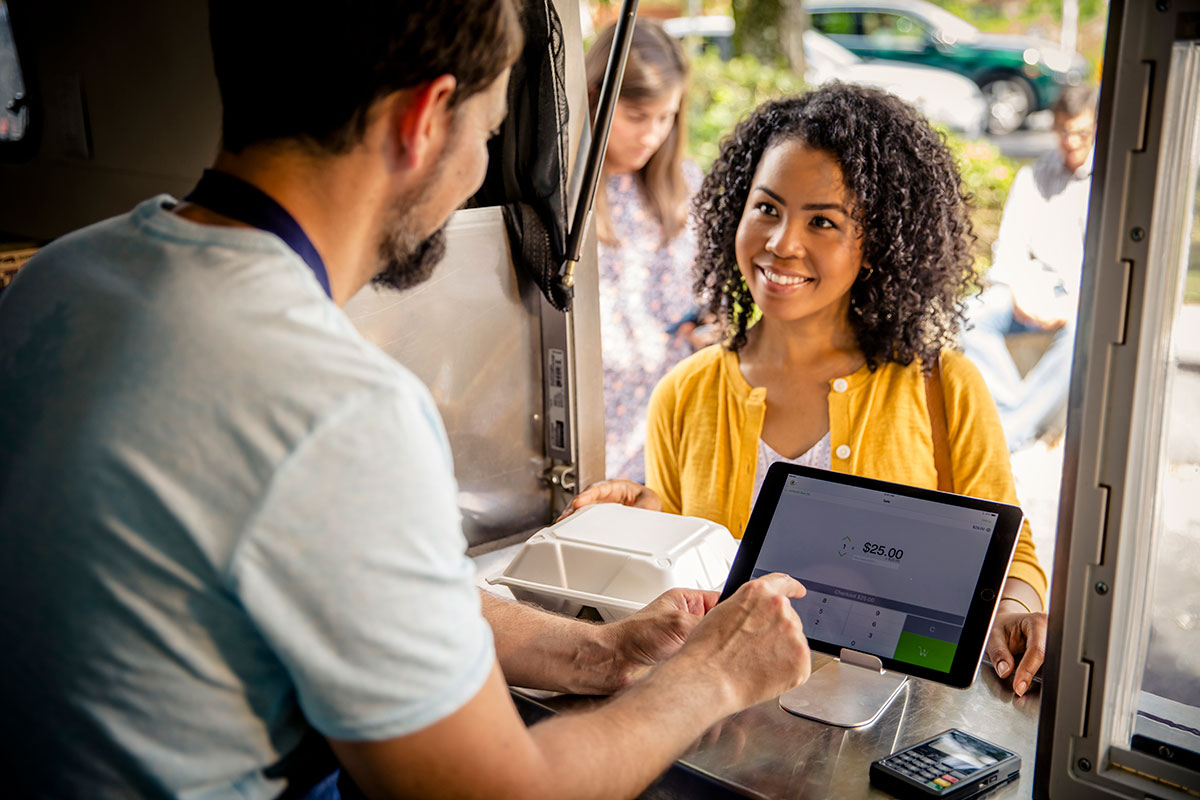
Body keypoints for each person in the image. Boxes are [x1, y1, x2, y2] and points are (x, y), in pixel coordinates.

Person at [0, 3, 814, 798]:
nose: (474, 174)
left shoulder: (60, 277)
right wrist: (710, 677)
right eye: (489, 136)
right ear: (424, 119)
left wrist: (598, 655)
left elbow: (360, 591)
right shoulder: (337, 408)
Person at [566, 84, 1050, 698]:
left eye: (822, 220)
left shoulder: (943, 384)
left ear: (875, 245)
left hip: (892, 723)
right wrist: (640, 528)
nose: (781, 243)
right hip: (727, 731)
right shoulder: (684, 393)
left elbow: (1012, 556)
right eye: (766, 208)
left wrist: (1013, 611)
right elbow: (687, 571)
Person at [587, 21, 711, 481]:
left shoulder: (684, 184)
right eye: (638, 117)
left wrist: (709, 323)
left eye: (667, 118)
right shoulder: (568, 195)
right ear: (596, 97)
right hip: (595, 428)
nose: (653, 134)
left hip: (663, 425)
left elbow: (709, 289)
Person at [961, 85, 1098, 451]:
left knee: (1085, 334)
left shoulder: (1106, 185)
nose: (1071, 142)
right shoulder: (1032, 177)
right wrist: (1019, 291)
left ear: (1095, 129)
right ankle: (1015, 415)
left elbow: (1103, 266)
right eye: (1064, 132)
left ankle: (1008, 434)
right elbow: (1011, 245)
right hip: (1026, 287)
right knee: (966, 316)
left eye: (1081, 133)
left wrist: (1068, 307)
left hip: (1076, 296)